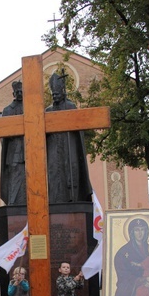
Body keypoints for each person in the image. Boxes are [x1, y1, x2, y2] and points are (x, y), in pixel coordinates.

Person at [46, 73, 92, 204]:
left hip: (69, 144)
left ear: (63, 92)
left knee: (71, 170)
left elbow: (77, 132)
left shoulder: (70, 106)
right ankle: (55, 202)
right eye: (53, 94)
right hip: (54, 147)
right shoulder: (48, 111)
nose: (55, 96)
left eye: (57, 94)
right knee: (54, 173)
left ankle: (73, 200)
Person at [0, 80, 26, 205]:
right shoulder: (7, 110)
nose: (20, 93)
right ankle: (13, 205)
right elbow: (3, 135)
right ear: (13, 94)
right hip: (14, 154)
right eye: (18, 92)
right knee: (14, 182)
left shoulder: (31, 108)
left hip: (29, 153)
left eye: (22, 91)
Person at [114, 218, 149, 296]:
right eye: (137, 230)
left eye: (142, 230)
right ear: (132, 232)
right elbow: (121, 271)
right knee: (123, 289)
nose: (140, 233)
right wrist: (140, 279)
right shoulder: (123, 251)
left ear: (146, 232)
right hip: (130, 280)